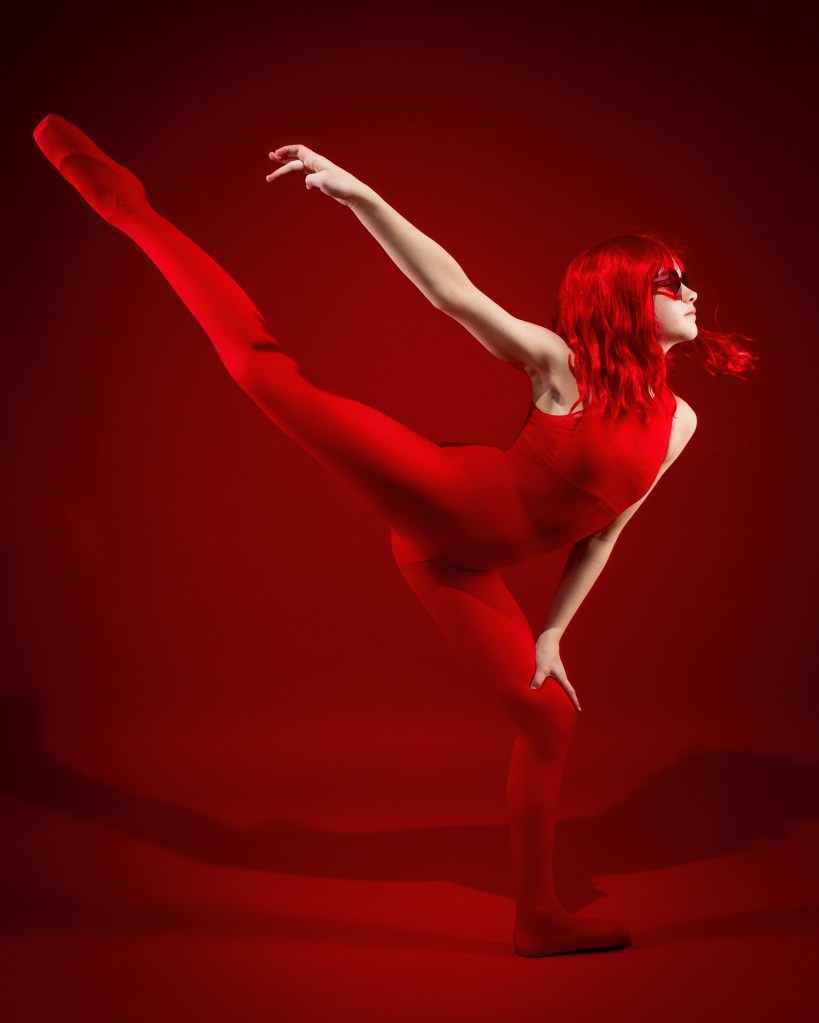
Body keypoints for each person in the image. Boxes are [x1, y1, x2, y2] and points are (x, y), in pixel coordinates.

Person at [32, 114, 755, 957]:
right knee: (263, 371)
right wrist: (360, 196)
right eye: (673, 282)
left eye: (687, 280)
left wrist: (553, 630)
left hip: (454, 562)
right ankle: (128, 206)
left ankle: (537, 918)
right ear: (628, 299)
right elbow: (454, 294)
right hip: (441, 494)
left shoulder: (681, 424)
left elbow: (600, 535)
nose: (694, 294)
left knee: (550, 720)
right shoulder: (563, 366)